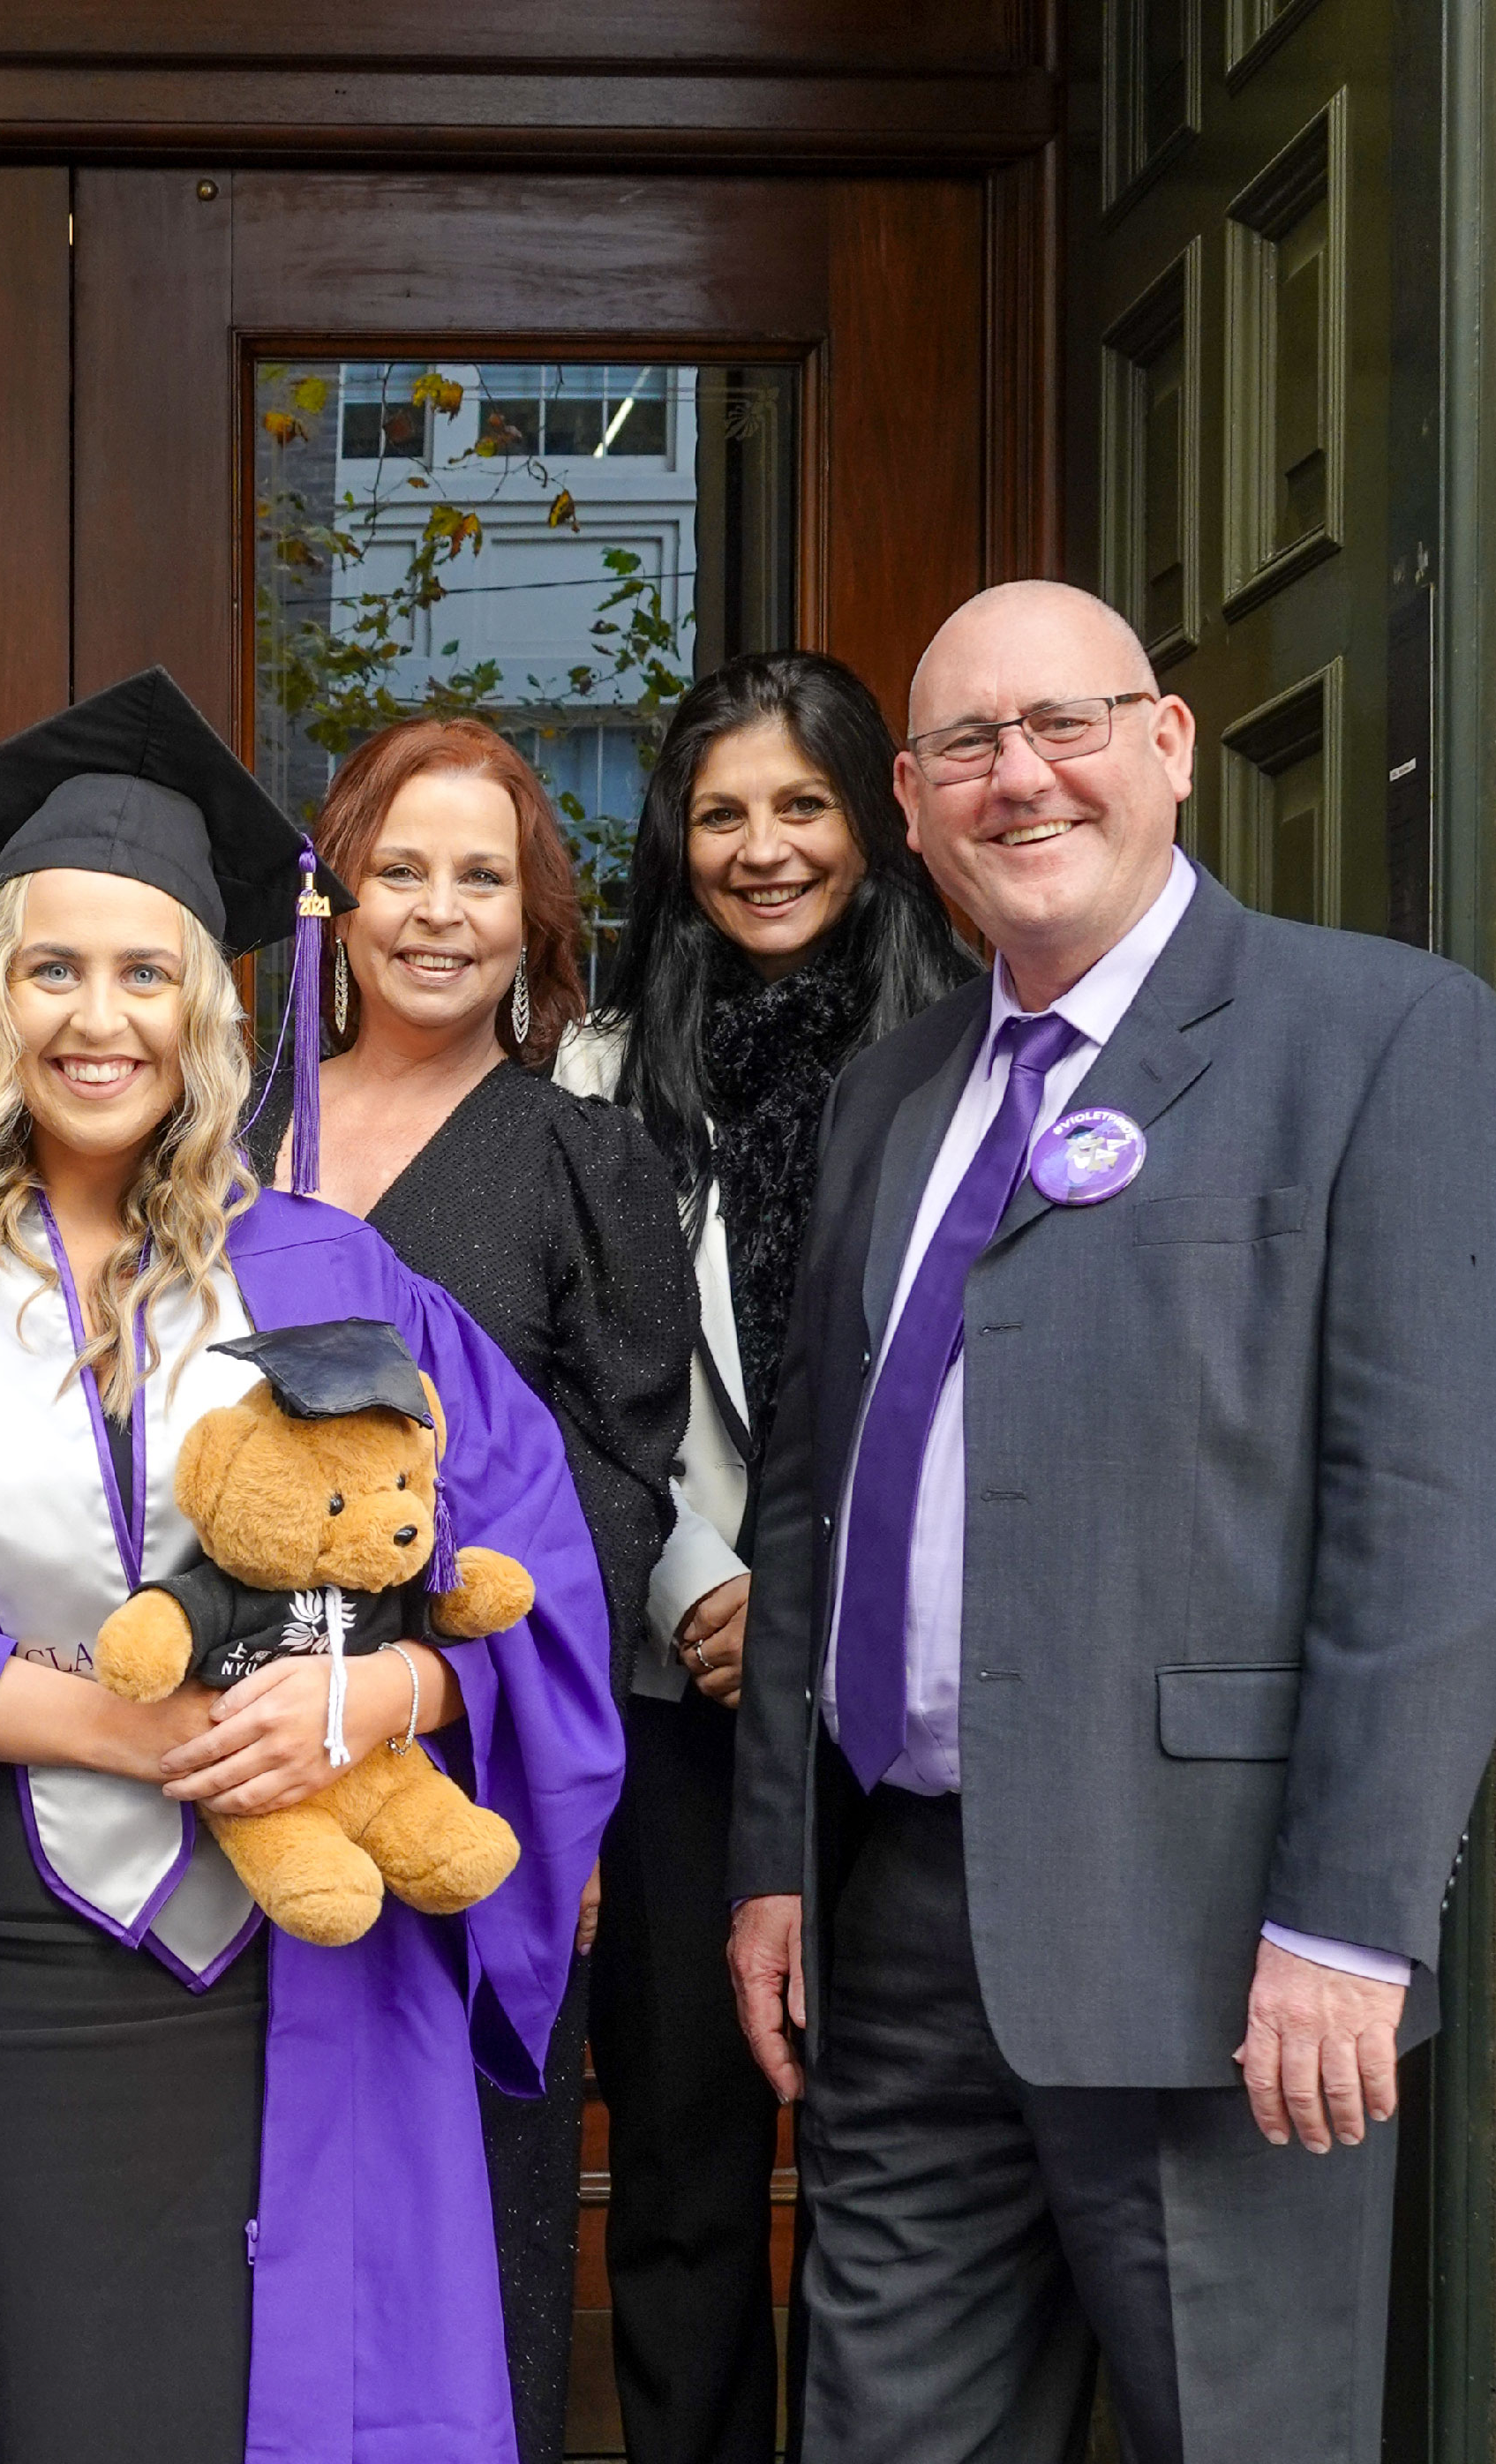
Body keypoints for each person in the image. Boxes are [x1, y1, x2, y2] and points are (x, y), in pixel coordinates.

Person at [0, 668, 622, 2463]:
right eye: (52, 970)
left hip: (300, 1974)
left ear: (205, 1009)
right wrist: (121, 1732)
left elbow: (530, 1581)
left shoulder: (344, 1283)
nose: (96, 1020)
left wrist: (375, 1691)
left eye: (143, 976)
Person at [727, 580, 1496, 2464]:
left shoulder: (1378, 1034)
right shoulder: (894, 1092)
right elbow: (811, 1494)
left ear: (1168, 746)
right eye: (971, 747)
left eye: (1066, 723)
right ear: (909, 803)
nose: (1022, 778)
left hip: (1221, 1938)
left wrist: (1348, 1920)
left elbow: (1428, 1512)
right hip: (899, 1922)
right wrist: (774, 1849)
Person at [242, 715, 695, 2464]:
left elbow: (613, 1503)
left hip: (456, 1780)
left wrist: (424, 1683)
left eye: (484, 877)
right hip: (204, 1769)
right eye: (402, 869)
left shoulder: (588, 1168)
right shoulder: (219, 1123)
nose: (439, 912)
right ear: (332, 897)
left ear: (534, 919)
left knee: (446, 2230)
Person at [552, 653, 972, 2464]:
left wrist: (830, 1598)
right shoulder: (593, 1062)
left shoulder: (975, 1039)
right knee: (690, 2172)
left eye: (801, 805)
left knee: (910, 2177)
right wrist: (696, 1580)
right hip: (687, 1692)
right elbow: (565, 1378)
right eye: (721, 812)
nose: (763, 846)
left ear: (872, 818)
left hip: (909, 1698)